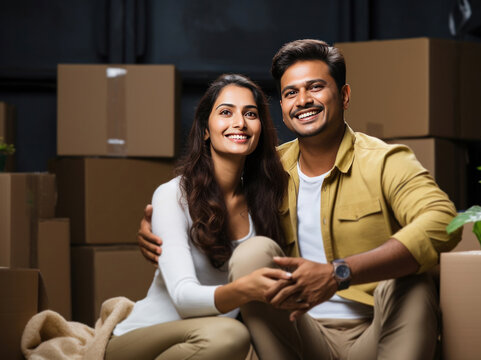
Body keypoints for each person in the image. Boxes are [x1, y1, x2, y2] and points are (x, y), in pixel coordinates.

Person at [138, 40, 462, 360]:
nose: (303, 100)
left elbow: (443, 221)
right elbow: (211, 202)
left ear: (345, 96)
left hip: (377, 329)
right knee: (254, 253)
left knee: (415, 284)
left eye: (316, 87)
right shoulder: (267, 170)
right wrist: (160, 229)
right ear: (282, 107)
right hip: (298, 330)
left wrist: (339, 273)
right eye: (291, 93)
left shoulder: (385, 161)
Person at [106, 74, 293, 360]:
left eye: (250, 114)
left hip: (212, 343)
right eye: (226, 112)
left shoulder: (266, 202)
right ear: (206, 129)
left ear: (261, 130)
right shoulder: (173, 195)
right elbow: (183, 299)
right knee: (231, 336)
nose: (239, 123)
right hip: (141, 341)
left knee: (233, 337)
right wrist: (244, 289)